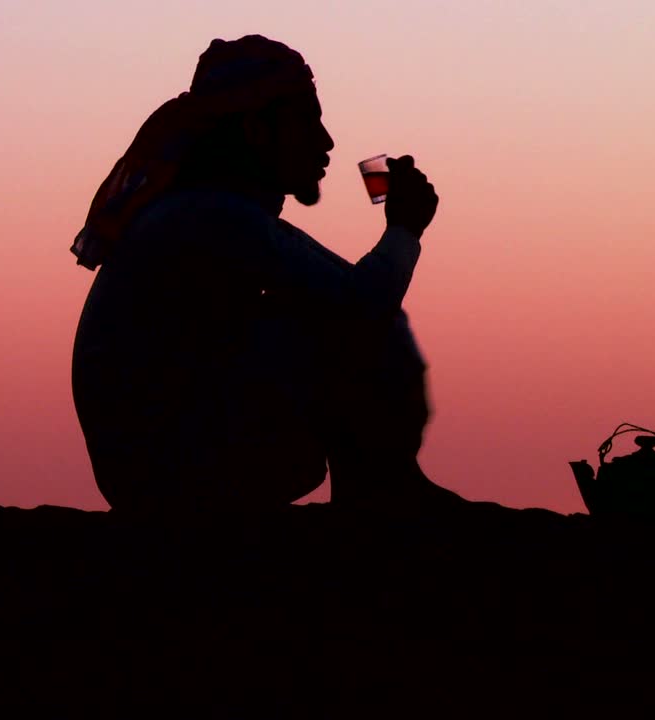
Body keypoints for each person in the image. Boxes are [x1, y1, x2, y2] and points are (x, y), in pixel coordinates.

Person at [70, 35, 464, 514]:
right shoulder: (212, 216)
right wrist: (404, 228)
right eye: (308, 121)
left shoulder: (210, 213)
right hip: (170, 471)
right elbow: (363, 304)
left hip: (158, 465)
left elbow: (351, 293)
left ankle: (384, 483)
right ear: (257, 130)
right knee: (348, 324)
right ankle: (382, 490)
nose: (326, 142)